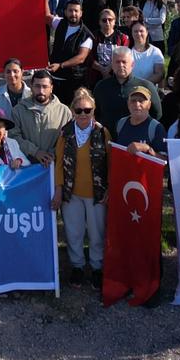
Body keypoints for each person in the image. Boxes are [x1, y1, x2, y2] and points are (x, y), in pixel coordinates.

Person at [50, 89, 111, 285]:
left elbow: (111, 162)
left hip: (96, 193)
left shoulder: (102, 132)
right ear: (72, 111)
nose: (83, 114)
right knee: (73, 232)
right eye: (79, 110)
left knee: (96, 233)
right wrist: (58, 190)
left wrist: (109, 187)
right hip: (71, 193)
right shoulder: (65, 133)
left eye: (87, 110)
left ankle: (97, 267)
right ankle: (77, 266)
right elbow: (58, 164)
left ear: (94, 111)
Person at [47, 0, 95, 102]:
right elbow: (47, 17)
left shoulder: (86, 35)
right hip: (54, 78)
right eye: (70, 10)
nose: (73, 14)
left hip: (73, 81)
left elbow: (81, 58)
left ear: (81, 13)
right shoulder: (60, 23)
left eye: (76, 11)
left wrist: (61, 65)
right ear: (65, 12)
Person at [112, 84, 166, 159]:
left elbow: (165, 161)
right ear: (128, 103)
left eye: (141, 101)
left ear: (149, 105)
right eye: (133, 100)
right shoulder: (120, 123)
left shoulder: (156, 128)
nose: (137, 104)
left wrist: (147, 149)